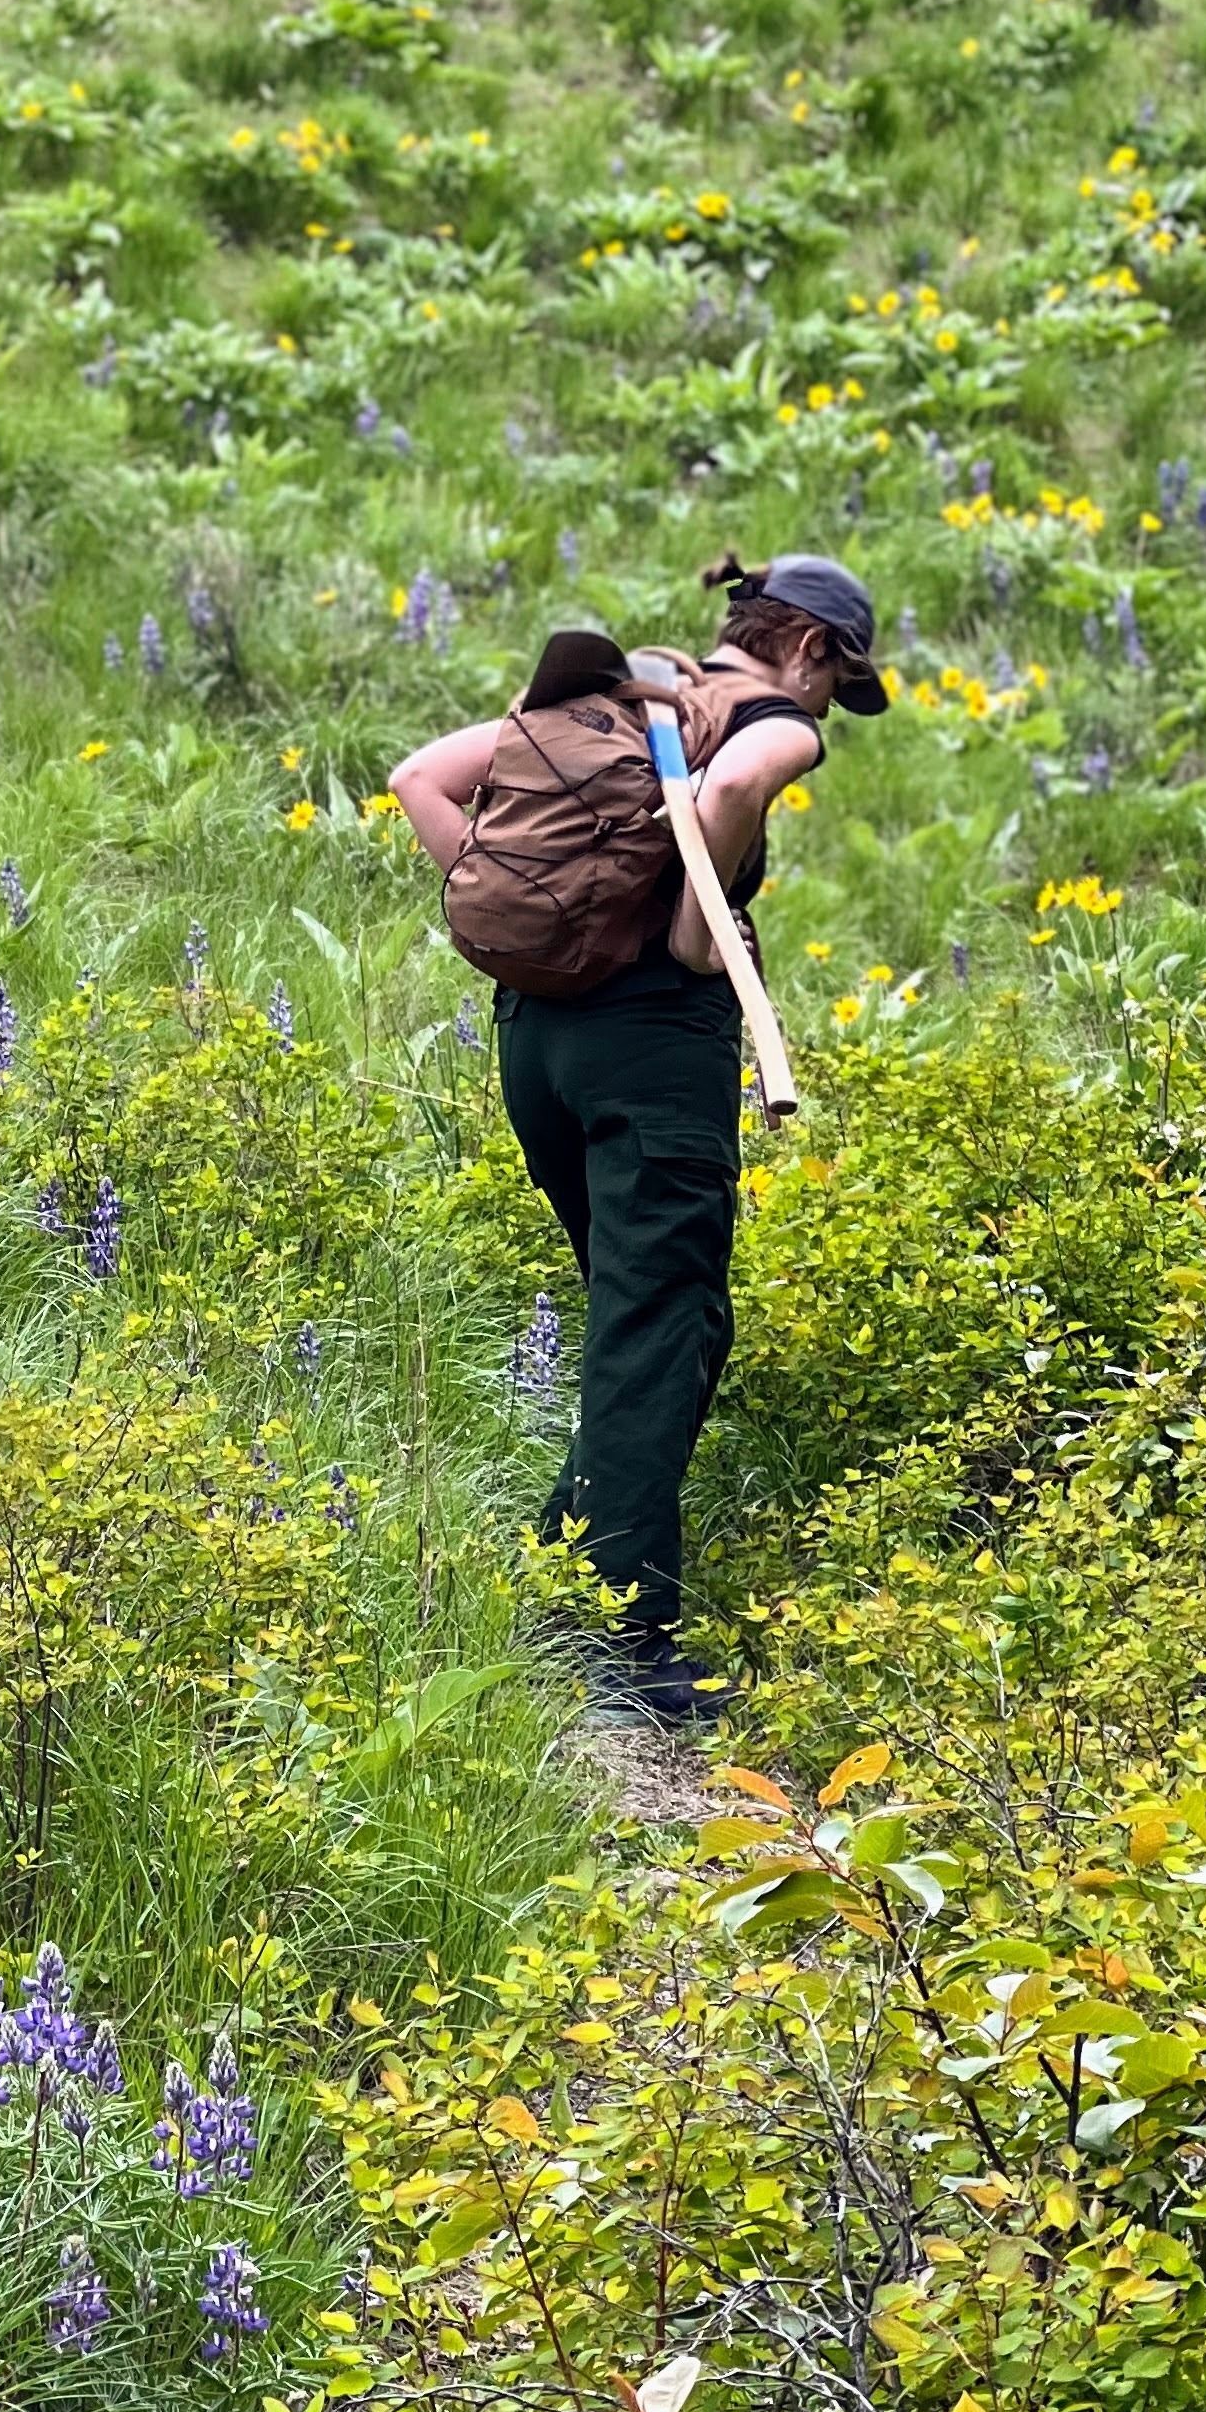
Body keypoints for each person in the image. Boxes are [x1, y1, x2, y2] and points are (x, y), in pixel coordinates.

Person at [388, 553, 888, 1724]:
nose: (826, 714)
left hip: (535, 1044)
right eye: (836, 684)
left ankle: (561, 1567)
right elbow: (731, 792)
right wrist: (685, 937)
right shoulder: (770, 723)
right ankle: (620, 1642)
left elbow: (420, 777)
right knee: (661, 1320)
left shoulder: (628, 692)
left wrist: (512, 903)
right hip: (654, 1050)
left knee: (640, 1315)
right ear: (810, 649)